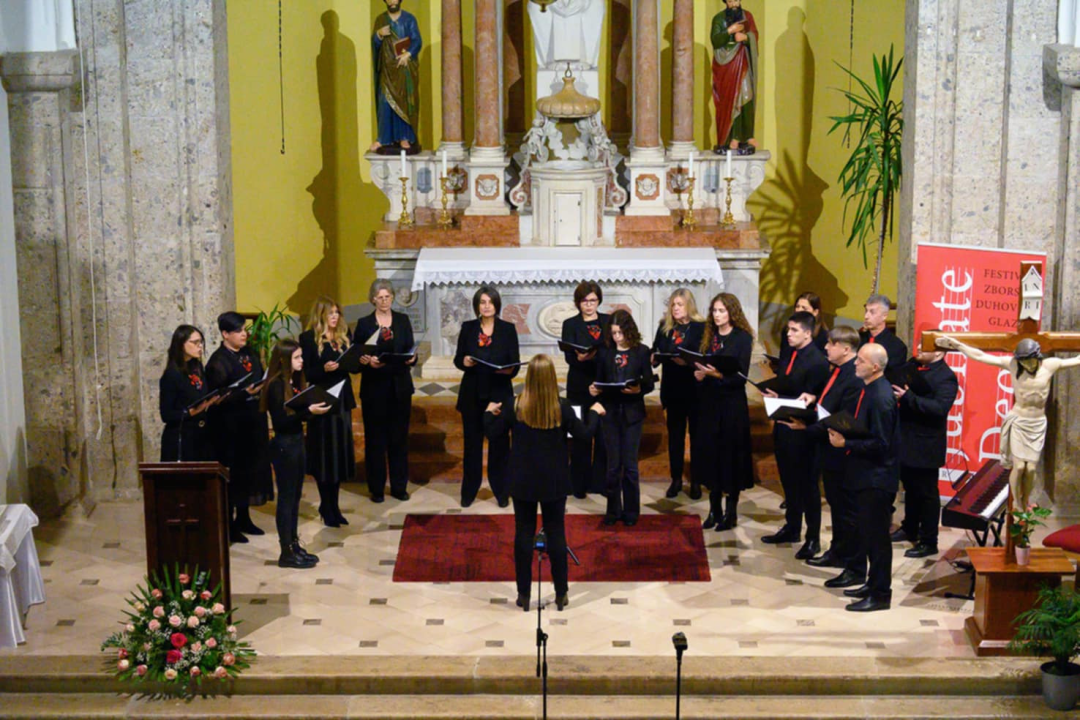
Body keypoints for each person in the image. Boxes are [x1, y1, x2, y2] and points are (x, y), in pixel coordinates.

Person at [484, 355, 605, 612]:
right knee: (556, 534)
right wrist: (594, 413)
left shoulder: (514, 405)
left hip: (523, 481)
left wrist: (487, 413)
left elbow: (493, 434)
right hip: (554, 481)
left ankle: (524, 594)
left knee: (523, 534)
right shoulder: (562, 406)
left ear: (528, 378)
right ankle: (561, 594)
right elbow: (584, 435)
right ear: (551, 378)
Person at [935, 335, 1080, 509]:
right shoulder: (1012, 365)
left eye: (1029, 361)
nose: (1026, 365)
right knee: (1019, 468)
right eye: (1023, 361)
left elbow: (1077, 360)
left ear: (1037, 357)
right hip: (1019, 421)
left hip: (1037, 423)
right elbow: (981, 356)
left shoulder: (1050, 365)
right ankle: (1017, 505)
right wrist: (957, 345)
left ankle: (1025, 499)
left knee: (1031, 469)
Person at [777, 326, 864, 571]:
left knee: (845, 509)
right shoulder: (838, 371)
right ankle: (837, 551)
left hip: (841, 450)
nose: (825, 347)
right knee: (836, 505)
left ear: (845, 349)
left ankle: (848, 559)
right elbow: (829, 404)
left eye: (831, 343)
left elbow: (843, 418)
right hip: (828, 446)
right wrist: (815, 400)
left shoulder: (852, 377)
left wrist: (806, 428)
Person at [826, 343, 900, 612]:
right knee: (867, 534)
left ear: (875, 367)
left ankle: (881, 594)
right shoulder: (870, 389)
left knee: (877, 538)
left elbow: (881, 444)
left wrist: (846, 443)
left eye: (860, 360)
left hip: (877, 478)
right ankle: (871, 583)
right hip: (864, 474)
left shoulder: (881, 397)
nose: (855, 363)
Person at [761, 311, 830, 558]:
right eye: (788, 329)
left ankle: (813, 538)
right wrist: (775, 396)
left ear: (808, 333)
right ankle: (792, 527)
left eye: (794, 330)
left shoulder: (818, 362)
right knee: (788, 480)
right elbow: (788, 385)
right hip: (784, 424)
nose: (788, 334)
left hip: (804, 431)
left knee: (808, 486)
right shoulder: (791, 353)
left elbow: (821, 401)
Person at [261, 339, 332, 569]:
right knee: (286, 498)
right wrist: (306, 410)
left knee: (295, 498)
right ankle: (286, 552)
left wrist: (313, 409)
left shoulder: (294, 381)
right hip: (284, 445)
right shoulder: (274, 385)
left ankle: (293, 544)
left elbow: (298, 414)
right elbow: (281, 420)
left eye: (301, 356)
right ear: (284, 360)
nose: (302, 361)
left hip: (296, 442)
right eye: (297, 357)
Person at [206, 312, 273, 544]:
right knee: (234, 474)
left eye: (245, 329)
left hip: (252, 422)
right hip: (230, 427)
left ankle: (244, 518)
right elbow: (216, 398)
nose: (244, 334)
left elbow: (257, 375)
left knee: (250, 471)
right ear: (225, 334)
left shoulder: (249, 354)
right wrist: (244, 392)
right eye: (238, 330)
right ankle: (230, 524)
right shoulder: (217, 362)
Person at [891, 331, 959, 558]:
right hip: (905, 438)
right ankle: (910, 527)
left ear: (939, 351)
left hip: (926, 444)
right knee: (910, 489)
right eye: (918, 343)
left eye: (924, 346)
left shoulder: (946, 377)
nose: (918, 348)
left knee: (927, 493)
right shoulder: (912, 366)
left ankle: (929, 540)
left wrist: (908, 397)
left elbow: (939, 408)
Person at [454, 285, 521, 508]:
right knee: (472, 446)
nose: (486, 306)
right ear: (476, 306)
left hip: (499, 391)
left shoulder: (508, 329)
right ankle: (469, 491)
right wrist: (463, 362)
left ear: (497, 305)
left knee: (500, 446)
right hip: (473, 392)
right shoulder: (468, 328)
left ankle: (502, 491)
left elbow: (515, 363)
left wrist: (508, 369)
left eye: (490, 302)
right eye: (482, 302)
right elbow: (458, 359)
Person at [692, 293, 754, 530]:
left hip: (731, 405)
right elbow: (702, 365)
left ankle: (731, 512)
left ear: (732, 312)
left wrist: (716, 374)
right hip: (710, 404)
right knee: (711, 456)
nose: (717, 315)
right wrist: (699, 374)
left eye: (722, 311)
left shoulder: (742, 338)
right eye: (714, 311)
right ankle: (713, 509)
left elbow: (740, 377)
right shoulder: (709, 336)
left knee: (731, 458)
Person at [590, 309, 655, 526]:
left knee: (630, 466)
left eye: (620, 333)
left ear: (629, 331)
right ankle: (612, 509)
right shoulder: (605, 352)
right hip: (610, 412)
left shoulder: (641, 351)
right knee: (613, 465)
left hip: (632, 413)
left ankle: (631, 511)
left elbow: (648, 383)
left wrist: (638, 390)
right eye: (614, 333)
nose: (617, 337)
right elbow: (598, 380)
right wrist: (594, 389)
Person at [355, 280, 417, 504]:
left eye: (387, 296)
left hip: (400, 386)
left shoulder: (402, 320)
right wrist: (366, 361)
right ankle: (377, 488)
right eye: (379, 297)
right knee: (375, 441)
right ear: (373, 299)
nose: (384, 301)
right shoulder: (364, 324)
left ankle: (399, 486)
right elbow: (357, 356)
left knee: (399, 440)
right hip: (374, 388)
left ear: (392, 298)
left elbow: (410, 347)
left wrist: (413, 358)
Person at [299, 297, 357, 527]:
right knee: (325, 455)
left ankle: (334, 505)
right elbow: (307, 373)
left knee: (339, 455)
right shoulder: (308, 339)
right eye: (330, 313)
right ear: (320, 315)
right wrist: (323, 369)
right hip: (322, 399)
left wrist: (357, 359)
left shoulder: (344, 335)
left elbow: (352, 366)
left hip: (342, 398)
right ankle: (326, 505)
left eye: (337, 313)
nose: (335, 317)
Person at [651, 289, 706, 499]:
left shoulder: (701, 327)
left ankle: (696, 480)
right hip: (673, 387)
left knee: (697, 437)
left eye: (680, 304)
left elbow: (706, 353)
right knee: (675, 436)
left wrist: (689, 361)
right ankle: (675, 479)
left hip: (694, 387)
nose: (675, 308)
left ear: (689, 306)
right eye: (673, 305)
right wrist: (655, 357)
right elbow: (657, 350)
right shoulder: (665, 327)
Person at [560, 281, 609, 499]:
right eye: (584, 301)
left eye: (593, 300)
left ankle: (600, 483)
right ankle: (578, 483)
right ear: (578, 302)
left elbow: (613, 352)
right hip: (579, 384)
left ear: (599, 301)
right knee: (579, 434)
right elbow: (568, 355)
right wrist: (580, 358)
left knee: (603, 436)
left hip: (602, 384)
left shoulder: (608, 322)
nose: (589, 305)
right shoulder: (570, 324)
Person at [159, 325, 220, 462]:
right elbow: (166, 414)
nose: (200, 346)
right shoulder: (172, 374)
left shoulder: (197, 368)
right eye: (195, 342)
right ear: (181, 344)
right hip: (181, 436)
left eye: (201, 342)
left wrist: (213, 400)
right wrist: (192, 412)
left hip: (201, 435)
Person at [370, 0, 422, 153]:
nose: (392, 1)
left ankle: (404, 136)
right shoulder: (380, 19)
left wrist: (409, 54)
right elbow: (375, 45)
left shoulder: (409, 19)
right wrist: (378, 35)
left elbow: (417, 40)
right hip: (387, 70)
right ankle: (383, 138)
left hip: (402, 69)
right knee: (384, 103)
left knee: (403, 102)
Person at [710, 0, 758, 152]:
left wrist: (746, 38)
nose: (734, 4)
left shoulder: (747, 16)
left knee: (746, 96)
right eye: (731, 1)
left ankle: (747, 135)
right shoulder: (719, 18)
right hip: (726, 66)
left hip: (743, 61)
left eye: (736, 0)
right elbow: (715, 40)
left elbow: (754, 35)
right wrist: (729, 31)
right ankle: (731, 137)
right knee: (730, 99)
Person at [859, 294, 908, 370]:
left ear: (884, 316)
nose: (866, 316)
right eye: (866, 311)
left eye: (872, 312)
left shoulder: (896, 347)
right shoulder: (858, 339)